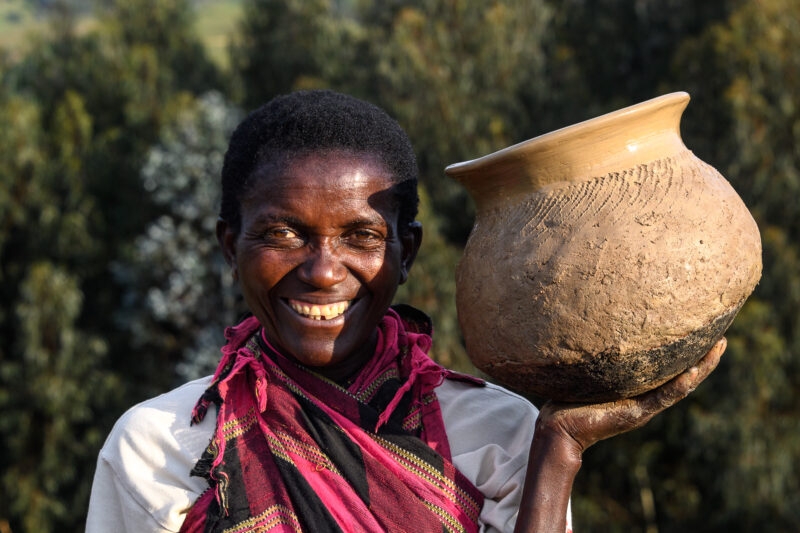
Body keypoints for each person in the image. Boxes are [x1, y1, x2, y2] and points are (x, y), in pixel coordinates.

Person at [86, 90, 725, 533]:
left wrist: (559, 450)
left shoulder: (501, 435)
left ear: (405, 250)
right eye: (284, 235)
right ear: (231, 246)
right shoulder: (159, 447)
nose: (323, 271)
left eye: (360, 237)